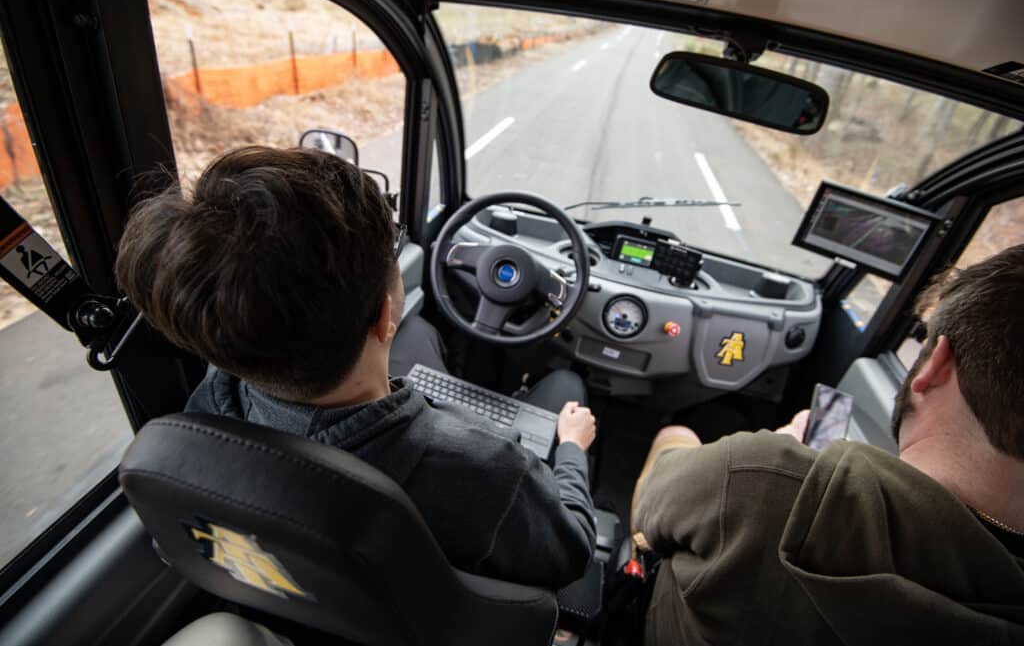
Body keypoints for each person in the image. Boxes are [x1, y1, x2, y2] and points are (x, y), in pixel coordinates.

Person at [115, 146, 597, 589]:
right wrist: (572, 449)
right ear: (386, 316)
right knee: (565, 383)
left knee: (425, 337)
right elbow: (569, 554)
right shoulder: (488, 472)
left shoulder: (203, 423)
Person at [631, 245, 1024, 645]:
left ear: (936, 366)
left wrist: (781, 453)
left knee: (676, 437)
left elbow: (650, 513)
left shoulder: (766, 478)